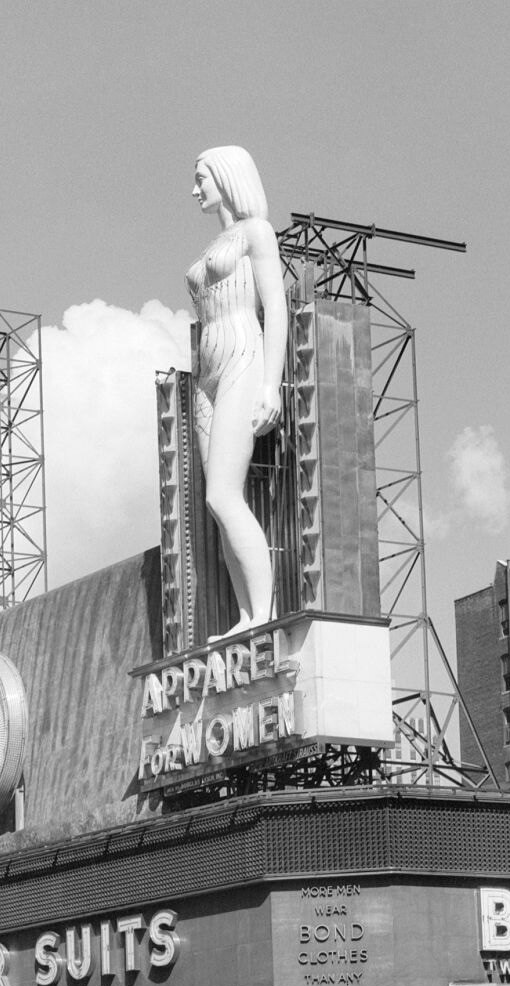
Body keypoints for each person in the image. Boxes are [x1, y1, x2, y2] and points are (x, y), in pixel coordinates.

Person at [186, 144, 287, 638]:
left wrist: (272, 382)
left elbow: (277, 307)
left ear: (227, 178)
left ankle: (263, 614)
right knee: (215, 501)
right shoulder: (218, 241)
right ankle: (246, 616)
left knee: (226, 496)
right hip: (206, 374)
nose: (195, 189)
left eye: (202, 178)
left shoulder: (256, 232)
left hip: (243, 360)